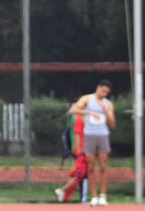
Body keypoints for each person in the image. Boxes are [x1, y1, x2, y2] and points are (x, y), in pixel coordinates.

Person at [68, 79, 116, 207]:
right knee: (90, 165)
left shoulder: (108, 104)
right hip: (89, 135)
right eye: (103, 91)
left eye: (107, 93)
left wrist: (105, 112)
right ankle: (94, 196)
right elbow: (72, 110)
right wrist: (89, 112)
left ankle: (103, 196)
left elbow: (112, 124)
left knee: (104, 165)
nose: (104, 94)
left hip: (103, 135)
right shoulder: (87, 99)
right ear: (98, 87)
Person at [55, 111, 88, 203]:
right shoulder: (78, 119)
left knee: (79, 175)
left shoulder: (79, 119)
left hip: (83, 151)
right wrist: (79, 152)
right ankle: (62, 190)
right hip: (81, 152)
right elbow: (76, 136)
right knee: (79, 175)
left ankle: (66, 198)